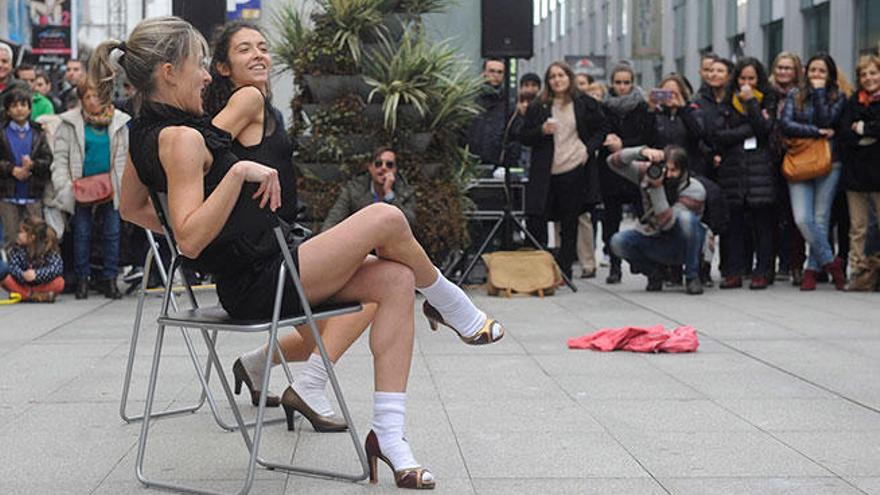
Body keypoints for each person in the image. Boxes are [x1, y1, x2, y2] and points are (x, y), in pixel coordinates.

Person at [102, 16, 504, 489]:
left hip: (272, 261)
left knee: (396, 280)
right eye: (199, 66)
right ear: (169, 72)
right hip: (259, 280)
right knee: (386, 219)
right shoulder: (183, 139)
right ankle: (448, 299)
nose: (207, 76)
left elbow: (133, 209)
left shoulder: (146, 131)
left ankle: (390, 438)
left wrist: (214, 236)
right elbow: (188, 237)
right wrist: (234, 181)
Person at [519, 61, 605, 280]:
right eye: (552, 76)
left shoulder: (584, 102)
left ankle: (565, 270)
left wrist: (588, 149)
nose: (557, 80)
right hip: (546, 171)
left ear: (569, 77)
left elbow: (602, 128)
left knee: (570, 222)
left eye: (561, 75)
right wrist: (541, 130)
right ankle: (539, 268)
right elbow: (524, 136)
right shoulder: (539, 105)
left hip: (574, 168)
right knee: (538, 218)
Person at [50, 80, 130, 299]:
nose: (93, 101)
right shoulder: (69, 123)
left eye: (97, 96)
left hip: (111, 186)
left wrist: (123, 185)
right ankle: (82, 279)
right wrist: (65, 186)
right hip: (80, 188)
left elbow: (125, 157)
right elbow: (60, 158)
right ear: (81, 100)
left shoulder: (120, 122)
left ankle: (110, 278)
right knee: (81, 234)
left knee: (112, 233)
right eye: (87, 97)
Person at [708, 57, 777, 290]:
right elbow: (719, 135)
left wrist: (752, 106)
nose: (746, 83)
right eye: (743, 78)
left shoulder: (767, 99)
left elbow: (766, 130)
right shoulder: (727, 101)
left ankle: (764, 270)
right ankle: (733, 271)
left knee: (762, 224)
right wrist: (749, 129)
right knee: (734, 223)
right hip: (733, 169)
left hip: (760, 169)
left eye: (751, 78)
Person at [780, 53, 847, 291]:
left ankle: (812, 269)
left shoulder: (837, 96)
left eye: (822, 71)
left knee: (821, 218)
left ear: (829, 75)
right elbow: (786, 124)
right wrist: (817, 132)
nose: (816, 76)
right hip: (800, 161)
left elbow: (828, 119)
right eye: (813, 71)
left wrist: (819, 94)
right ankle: (831, 261)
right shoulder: (794, 95)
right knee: (802, 218)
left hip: (829, 162)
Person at [608, 145, 706, 294]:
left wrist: (656, 188)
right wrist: (641, 152)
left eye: (674, 171)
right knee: (617, 242)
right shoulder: (649, 173)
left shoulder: (695, 189)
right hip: (654, 236)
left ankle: (692, 276)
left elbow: (667, 223)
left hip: (684, 244)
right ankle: (654, 274)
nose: (668, 174)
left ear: (684, 170)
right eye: (666, 169)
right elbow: (612, 162)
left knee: (686, 219)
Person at [599, 63, 652, 284]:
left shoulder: (642, 107)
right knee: (611, 221)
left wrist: (624, 145)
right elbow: (599, 133)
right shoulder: (603, 107)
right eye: (618, 82)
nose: (622, 87)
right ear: (612, 83)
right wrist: (609, 142)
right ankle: (614, 265)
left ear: (633, 83)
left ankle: (647, 266)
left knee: (645, 218)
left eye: (626, 82)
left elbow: (647, 137)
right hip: (610, 169)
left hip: (635, 170)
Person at [839, 54, 880, 289]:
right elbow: (846, 133)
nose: (869, 78)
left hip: (878, 175)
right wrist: (868, 134)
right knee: (858, 228)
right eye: (864, 74)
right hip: (856, 176)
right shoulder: (853, 101)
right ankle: (856, 271)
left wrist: (863, 128)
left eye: (873, 73)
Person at [768, 52, 807, 285]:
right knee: (772, 213)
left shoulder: (803, 96)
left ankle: (795, 264)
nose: (783, 72)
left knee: (795, 216)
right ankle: (771, 264)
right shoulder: (767, 93)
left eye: (788, 68)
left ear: (796, 72)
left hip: (796, 157)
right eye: (780, 67)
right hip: (771, 159)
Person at [0, 88, 53, 246]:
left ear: (30, 108)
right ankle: (12, 269)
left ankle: (34, 269)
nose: (19, 109)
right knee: (11, 236)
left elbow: (48, 159)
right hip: (8, 193)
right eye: (14, 105)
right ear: (8, 110)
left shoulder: (38, 132)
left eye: (23, 104)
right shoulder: (2, 133)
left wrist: (33, 165)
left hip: (32, 193)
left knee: (35, 236)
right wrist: (12, 169)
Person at [322, 148, 416, 231]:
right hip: (361, 244)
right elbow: (334, 219)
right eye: (378, 164)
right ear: (370, 168)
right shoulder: (354, 189)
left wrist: (389, 195)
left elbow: (411, 224)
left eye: (389, 165)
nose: (383, 168)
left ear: (395, 170)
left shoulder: (405, 191)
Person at [0, 217, 64, 302]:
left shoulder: (47, 249)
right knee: (6, 279)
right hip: (23, 284)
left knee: (59, 282)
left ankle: (28, 295)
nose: (18, 235)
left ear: (32, 237)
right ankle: (36, 297)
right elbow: (12, 267)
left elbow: (57, 268)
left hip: (41, 285)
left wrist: (37, 274)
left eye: (21, 232)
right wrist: (22, 275)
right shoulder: (16, 249)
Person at [465, 58, 509, 166]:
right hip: (471, 161)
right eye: (492, 71)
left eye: (499, 72)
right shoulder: (470, 100)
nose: (495, 75)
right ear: (484, 73)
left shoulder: (509, 103)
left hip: (499, 164)